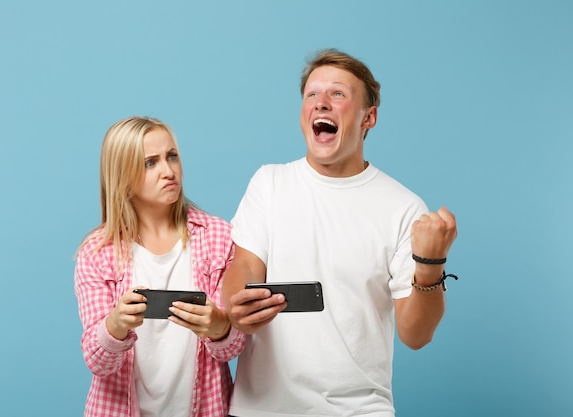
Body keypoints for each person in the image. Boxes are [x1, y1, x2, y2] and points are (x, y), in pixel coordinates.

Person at [222, 48, 458, 417]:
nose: (321, 104)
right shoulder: (269, 183)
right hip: (261, 409)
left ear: (369, 117)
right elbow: (245, 266)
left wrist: (430, 265)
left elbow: (416, 335)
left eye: (337, 94)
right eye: (312, 95)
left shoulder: (403, 208)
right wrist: (237, 301)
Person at [74, 116, 245, 417]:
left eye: (172, 156)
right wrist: (116, 325)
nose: (169, 171)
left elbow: (232, 349)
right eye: (150, 163)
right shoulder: (97, 252)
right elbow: (97, 362)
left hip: (205, 408)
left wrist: (220, 326)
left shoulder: (218, 237)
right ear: (122, 176)